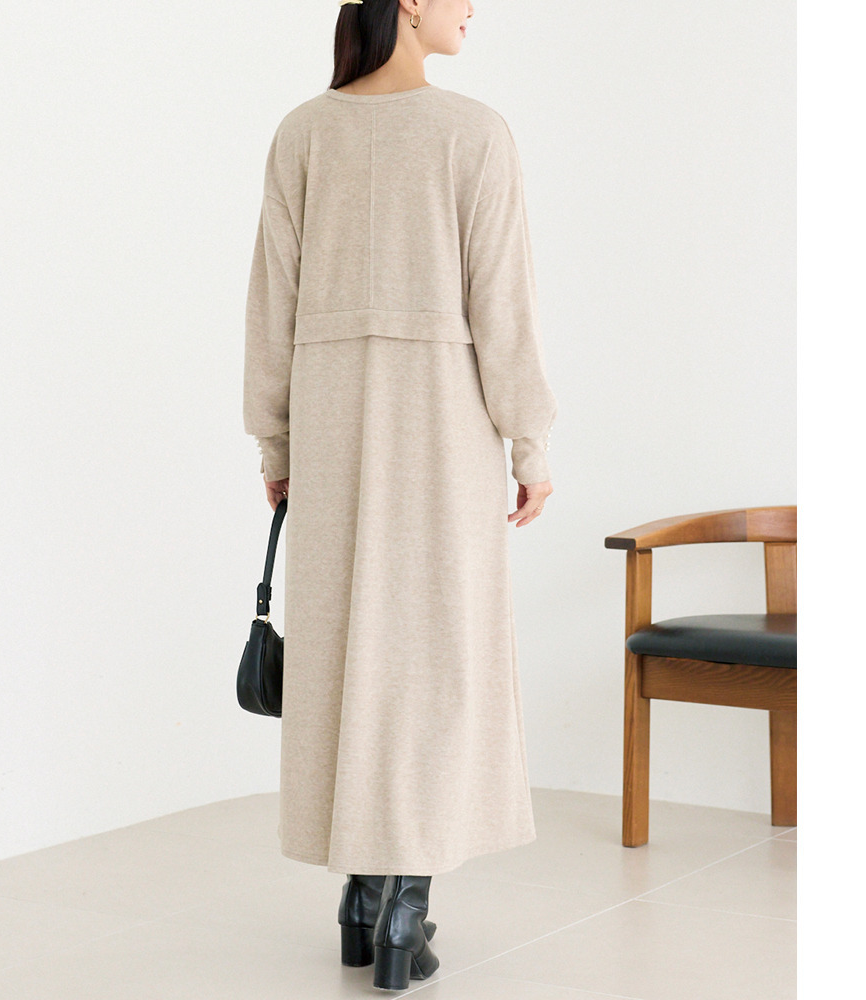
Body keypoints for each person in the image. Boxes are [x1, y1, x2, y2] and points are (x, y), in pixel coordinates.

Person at [242, 0, 557, 990]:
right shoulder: (475, 133)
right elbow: (503, 305)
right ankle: (404, 908)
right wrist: (530, 442)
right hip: (441, 430)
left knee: (347, 651)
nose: (474, 9)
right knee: (433, 656)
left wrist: (276, 439)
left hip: (331, 427)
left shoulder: (303, 132)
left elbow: (271, 303)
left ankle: (360, 894)